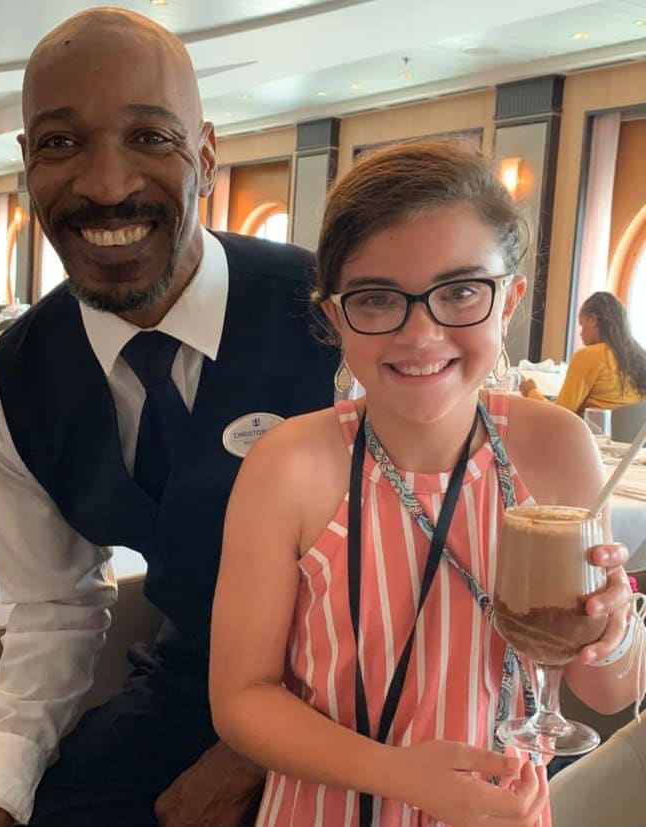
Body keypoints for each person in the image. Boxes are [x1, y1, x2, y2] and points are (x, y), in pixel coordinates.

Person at [0, 8, 336, 827]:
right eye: (61, 144)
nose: (105, 184)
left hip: (367, 685)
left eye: (150, 138)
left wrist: (254, 755)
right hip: (189, 682)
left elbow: (427, 571)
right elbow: (55, 608)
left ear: (205, 153)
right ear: (26, 164)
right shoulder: (6, 386)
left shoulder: (337, 317)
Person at [209, 142, 641, 827]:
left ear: (509, 301)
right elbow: (241, 697)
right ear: (334, 316)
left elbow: (609, 692)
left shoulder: (556, 448)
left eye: (461, 291)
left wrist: (614, 631)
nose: (422, 331)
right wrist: (400, 774)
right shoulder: (290, 464)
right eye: (378, 298)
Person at [520, 292, 646, 414]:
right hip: (627, 436)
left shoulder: (589, 356)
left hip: (593, 434)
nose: (580, 334)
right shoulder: (639, 358)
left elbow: (561, 415)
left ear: (593, 319)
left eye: (582, 325)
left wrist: (531, 391)